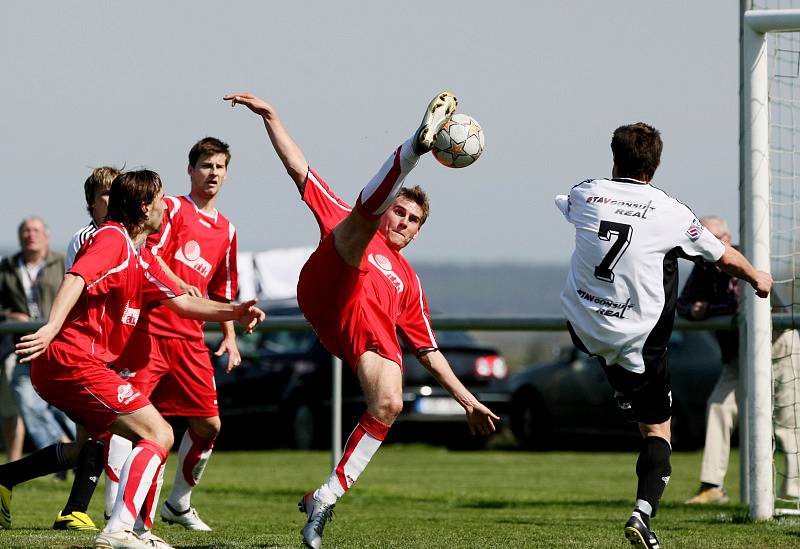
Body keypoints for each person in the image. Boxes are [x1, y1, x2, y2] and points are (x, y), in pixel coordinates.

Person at [226, 91, 500, 549]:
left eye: (413, 221)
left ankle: (325, 497)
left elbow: (429, 352)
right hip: (326, 282)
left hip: (356, 337)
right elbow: (299, 170)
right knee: (357, 224)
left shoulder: (409, 283)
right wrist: (271, 117)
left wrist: (468, 400)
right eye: (401, 211)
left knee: (389, 404)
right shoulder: (360, 221)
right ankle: (414, 147)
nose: (405, 223)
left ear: (417, 232)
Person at [4, 170, 264, 549]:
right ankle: (119, 530)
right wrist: (49, 328)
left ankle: (132, 528)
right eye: (159, 200)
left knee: (132, 437)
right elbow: (76, 277)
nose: (165, 205)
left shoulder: (140, 255)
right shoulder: (111, 239)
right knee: (158, 433)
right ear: (144, 208)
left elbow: (184, 302)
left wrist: (234, 312)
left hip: (75, 365)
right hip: (72, 361)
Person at [554, 123, 772, 549]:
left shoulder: (584, 192)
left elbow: (571, 207)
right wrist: (756, 277)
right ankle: (642, 514)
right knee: (657, 432)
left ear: (614, 159)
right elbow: (722, 255)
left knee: (628, 284)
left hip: (581, 326)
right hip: (637, 345)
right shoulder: (671, 211)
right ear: (654, 167)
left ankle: (621, 388)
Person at [106, 137, 240, 532]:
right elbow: (147, 255)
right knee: (131, 421)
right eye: (205, 165)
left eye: (219, 167)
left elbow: (222, 289)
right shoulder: (173, 209)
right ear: (191, 170)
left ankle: (178, 503)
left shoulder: (227, 230)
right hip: (151, 332)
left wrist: (229, 336)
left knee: (208, 425)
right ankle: (117, 510)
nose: (212, 173)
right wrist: (180, 284)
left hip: (191, 340)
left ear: (227, 173)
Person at [680, 217, 800, 504]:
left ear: (728, 237)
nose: (706, 246)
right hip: (738, 354)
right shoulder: (702, 266)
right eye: (701, 239)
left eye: (714, 238)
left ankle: (792, 491)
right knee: (718, 407)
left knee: (787, 420)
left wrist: (705, 308)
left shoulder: (742, 257)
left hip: (777, 345)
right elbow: (682, 303)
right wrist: (693, 308)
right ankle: (712, 486)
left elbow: (738, 304)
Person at [51, 166, 121, 532]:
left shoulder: (122, 236)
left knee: (89, 441)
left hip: (108, 344)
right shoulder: (88, 238)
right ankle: (76, 510)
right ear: (91, 202)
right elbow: (86, 284)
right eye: (104, 194)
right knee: (99, 430)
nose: (111, 200)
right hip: (83, 345)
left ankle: (8, 477)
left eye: (116, 193)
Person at [0, 218, 76, 459]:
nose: (30, 235)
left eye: (35, 230)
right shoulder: (8, 267)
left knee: (68, 407)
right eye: (25, 230)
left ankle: (87, 452)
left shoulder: (63, 262)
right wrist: (10, 315)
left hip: (59, 344)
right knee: (26, 399)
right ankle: (62, 449)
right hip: (23, 346)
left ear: (46, 235)